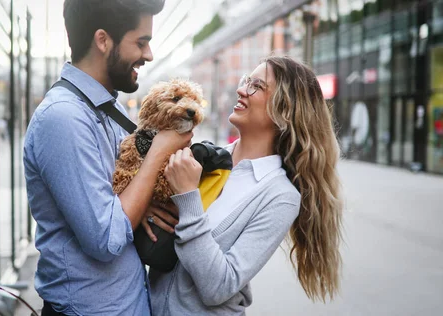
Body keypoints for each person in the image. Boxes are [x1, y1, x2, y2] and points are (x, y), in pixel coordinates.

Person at [22, 0, 191, 315]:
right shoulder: (65, 117)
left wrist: (137, 202)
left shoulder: (103, 109)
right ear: (103, 40)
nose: (148, 55)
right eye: (140, 42)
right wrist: (158, 154)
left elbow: (116, 195)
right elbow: (106, 238)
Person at [148, 56, 344, 315]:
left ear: (284, 112)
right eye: (246, 81)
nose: (242, 90)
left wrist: (188, 196)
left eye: (257, 86)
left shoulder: (280, 196)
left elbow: (219, 286)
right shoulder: (205, 159)